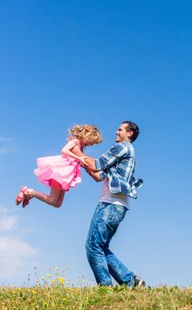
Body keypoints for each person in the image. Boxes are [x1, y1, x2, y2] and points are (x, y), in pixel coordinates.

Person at [75, 121, 144, 287]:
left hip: (111, 205)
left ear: (130, 133)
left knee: (93, 247)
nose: (116, 131)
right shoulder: (123, 152)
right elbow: (98, 175)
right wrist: (82, 162)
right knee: (101, 246)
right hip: (116, 205)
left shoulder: (122, 147)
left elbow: (97, 164)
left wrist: (76, 150)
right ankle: (130, 281)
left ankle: (105, 289)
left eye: (120, 129)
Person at [15, 124, 102, 208]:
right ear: (86, 135)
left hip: (67, 176)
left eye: (91, 144)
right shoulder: (75, 142)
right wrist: (79, 158)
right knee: (52, 200)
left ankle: (30, 194)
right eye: (89, 142)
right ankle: (28, 191)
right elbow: (64, 150)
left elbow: (80, 161)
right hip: (60, 172)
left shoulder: (80, 148)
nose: (89, 145)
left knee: (57, 204)